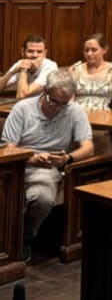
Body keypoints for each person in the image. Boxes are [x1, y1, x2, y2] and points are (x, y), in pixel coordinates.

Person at [2, 71, 93, 263]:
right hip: (18, 164)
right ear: (45, 92)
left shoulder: (74, 111)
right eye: (54, 102)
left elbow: (88, 147)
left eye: (64, 103)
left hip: (48, 168)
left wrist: (68, 157)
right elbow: (7, 147)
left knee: (42, 197)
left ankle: (23, 239)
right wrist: (33, 156)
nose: (59, 108)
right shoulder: (23, 109)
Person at [70, 33, 112, 112]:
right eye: (86, 50)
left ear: (104, 50)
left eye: (94, 50)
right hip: (78, 116)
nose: (89, 54)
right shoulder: (75, 69)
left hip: (104, 116)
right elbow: (69, 100)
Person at [0, 35, 58, 99]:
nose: (35, 55)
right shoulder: (20, 63)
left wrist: (23, 70)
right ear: (23, 52)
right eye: (30, 51)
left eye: (39, 52)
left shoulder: (50, 67)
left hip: (46, 106)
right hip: (26, 104)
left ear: (45, 53)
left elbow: (22, 95)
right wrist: (11, 73)